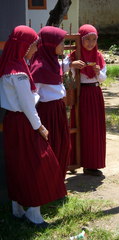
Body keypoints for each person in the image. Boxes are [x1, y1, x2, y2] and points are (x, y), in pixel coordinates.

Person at [0, 25, 66, 227]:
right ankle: (33, 213)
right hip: (24, 123)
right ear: (24, 45)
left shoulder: (8, 66)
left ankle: (17, 208)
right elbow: (28, 105)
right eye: (33, 45)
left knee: (18, 165)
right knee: (39, 166)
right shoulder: (19, 73)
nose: (36, 49)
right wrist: (40, 127)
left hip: (12, 121)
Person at [65, 24, 107, 176]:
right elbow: (63, 69)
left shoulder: (99, 56)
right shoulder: (74, 56)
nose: (90, 43)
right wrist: (72, 65)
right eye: (87, 39)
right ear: (80, 39)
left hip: (95, 94)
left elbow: (103, 78)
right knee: (80, 127)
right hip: (80, 94)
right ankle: (74, 160)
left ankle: (92, 164)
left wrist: (98, 73)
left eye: (94, 39)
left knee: (94, 128)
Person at [30, 26, 70, 179]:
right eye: (61, 42)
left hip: (58, 108)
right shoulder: (39, 67)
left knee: (63, 144)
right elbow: (33, 95)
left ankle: (59, 181)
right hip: (48, 112)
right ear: (50, 44)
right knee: (52, 146)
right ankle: (51, 184)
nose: (63, 46)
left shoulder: (53, 62)